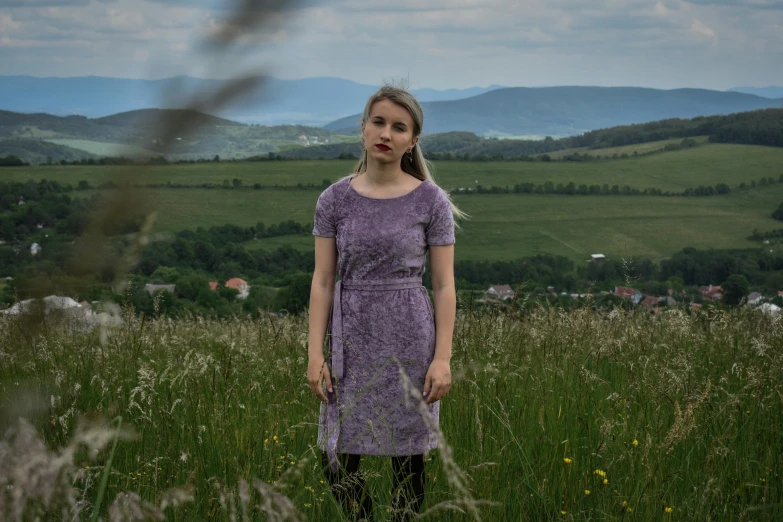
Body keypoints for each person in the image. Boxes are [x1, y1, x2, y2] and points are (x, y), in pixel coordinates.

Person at [307, 85, 463, 521]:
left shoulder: (431, 200)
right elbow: (322, 281)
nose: (386, 134)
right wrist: (314, 354)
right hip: (349, 339)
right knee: (336, 459)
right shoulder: (333, 199)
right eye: (378, 122)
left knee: (409, 463)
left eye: (399, 127)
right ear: (362, 129)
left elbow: (443, 284)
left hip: (411, 338)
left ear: (412, 141)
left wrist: (442, 358)